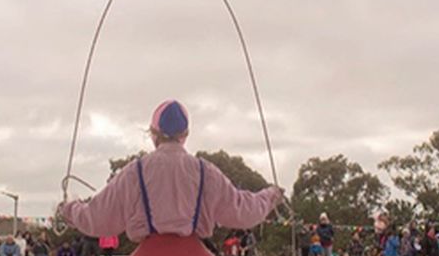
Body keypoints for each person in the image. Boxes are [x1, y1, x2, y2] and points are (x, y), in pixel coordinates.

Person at [57, 100, 285, 243]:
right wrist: (270, 195)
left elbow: (97, 219)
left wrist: (69, 210)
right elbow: (244, 211)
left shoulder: (133, 172)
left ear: (153, 133)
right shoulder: (206, 172)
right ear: (185, 134)